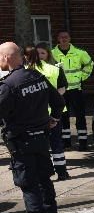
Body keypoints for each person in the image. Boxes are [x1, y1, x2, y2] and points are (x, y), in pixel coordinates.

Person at [0, 42, 65, 213]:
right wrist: (54, 119)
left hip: (21, 141)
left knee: (28, 182)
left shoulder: (9, 85)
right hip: (41, 138)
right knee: (44, 178)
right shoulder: (38, 76)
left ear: (6, 58)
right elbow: (59, 102)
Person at [26, 44, 71, 181]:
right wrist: (54, 98)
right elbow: (63, 88)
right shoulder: (55, 69)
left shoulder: (26, 71)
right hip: (54, 113)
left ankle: (44, 174)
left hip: (35, 115)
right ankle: (62, 173)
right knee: (56, 143)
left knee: (40, 145)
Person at [52, 30, 93, 150]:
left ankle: (83, 142)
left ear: (70, 38)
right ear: (58, 39)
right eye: (61, 37)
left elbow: (89, 64)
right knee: (63, 116)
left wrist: (82, 77)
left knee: (80, 115)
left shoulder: (80, 53)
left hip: (76, 89)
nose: (64, 39)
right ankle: (66, 142)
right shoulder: (52, 53)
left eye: (66, 37)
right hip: (61, 91)